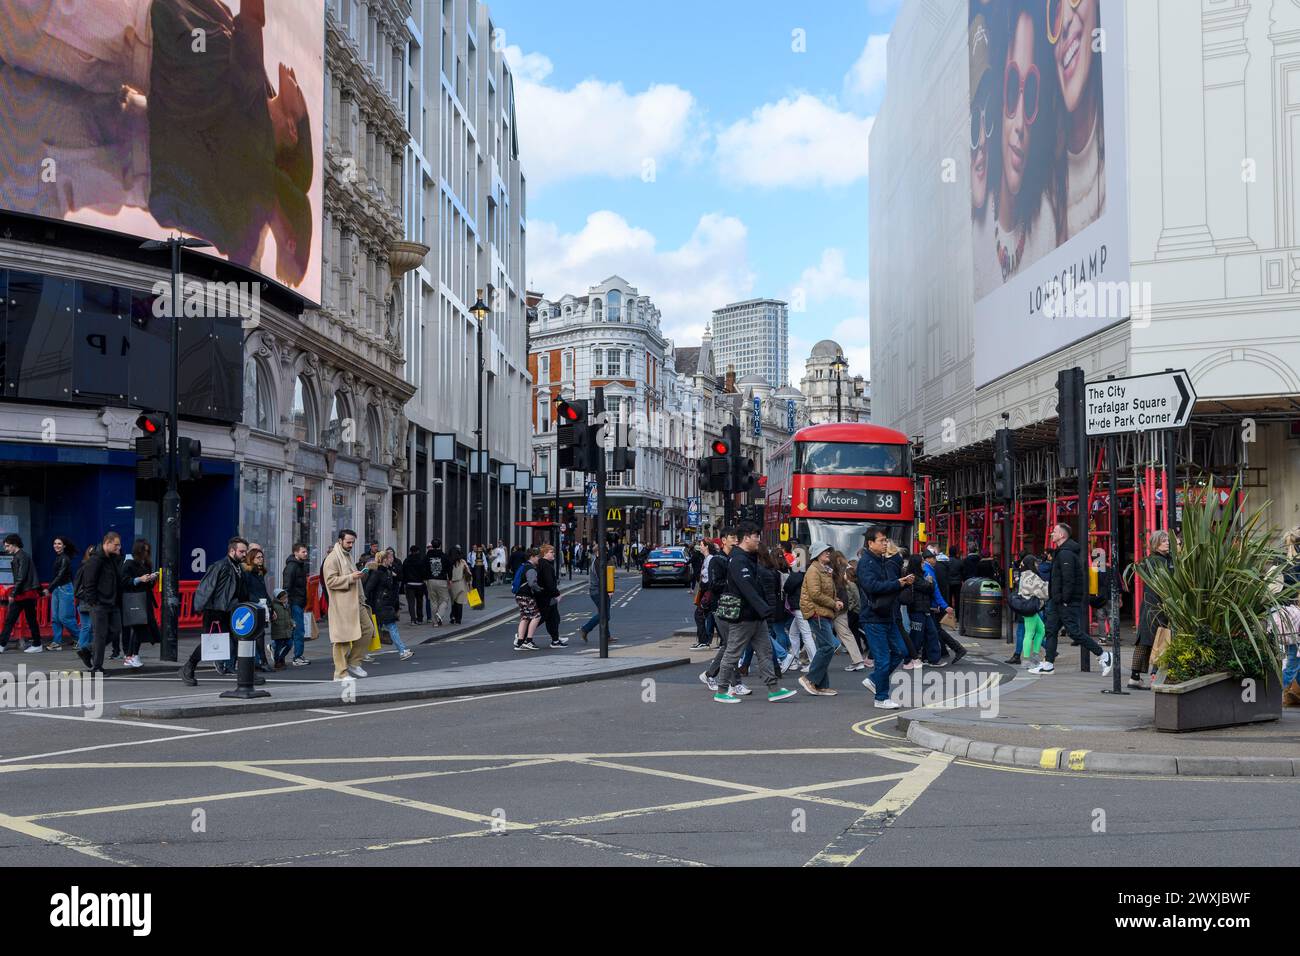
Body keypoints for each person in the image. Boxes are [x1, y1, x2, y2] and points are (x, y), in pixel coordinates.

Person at [711, 523, 797, 704]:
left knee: (765, 652)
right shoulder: (738, 560)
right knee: (732, 653)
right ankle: (721, 690)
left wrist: (763, 612)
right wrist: (765, 609)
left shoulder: (749, 558)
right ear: (746, 538)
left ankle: (773, 689)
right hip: (743, 616)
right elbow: (747, 589)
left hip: (756, 616)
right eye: (756, 536)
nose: (759, 539)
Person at [1030, 524, 1112, 675]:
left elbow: (1069, 579)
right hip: (1057, 600)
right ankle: (1048, 664)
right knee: (1051, 630)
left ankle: (1104, 655)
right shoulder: (1061, 552)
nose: (1051, 534)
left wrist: (1065, 599)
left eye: (1054, 532)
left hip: (1065, 601)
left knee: (1074, 632)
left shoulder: (1066, 554)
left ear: (1061, 535)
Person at [857, 525, 915, 709]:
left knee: (901, 652)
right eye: (882, 540)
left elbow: (887, 585)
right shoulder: (866, 562)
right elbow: (873, 587)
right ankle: (881, 698)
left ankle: (874, 680)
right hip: (873, 617)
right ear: (870, 543)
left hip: (887, 615)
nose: (885, 543)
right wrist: (897, 583)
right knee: (882, 659)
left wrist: (903, 583)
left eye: (886, 540)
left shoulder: (880, 559)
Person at [181, 536, 248, 685]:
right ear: (232, 551)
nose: (244, 554)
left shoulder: (237, 568)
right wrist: (201, 607)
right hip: (216, 611)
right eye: (242, 551)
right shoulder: (220, 566)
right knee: (210, 643)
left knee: (241, 640)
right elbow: (206, 588)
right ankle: (189, 666)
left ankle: (247, 674)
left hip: (230, 611)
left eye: (245, 551)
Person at [77, 532, 130, 674]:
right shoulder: (95, 560)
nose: (119, 547)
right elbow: (89, 582)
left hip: (112, 603)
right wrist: (93, 601)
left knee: (115, 631)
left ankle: (87, 650)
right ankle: (97, 667)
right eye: (116, 544)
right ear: (107, 543)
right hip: (99, 604)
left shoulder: (112, 558)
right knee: (100, 635)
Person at [323, 529, 369, 681]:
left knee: (368, 629)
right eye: (348, 542)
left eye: (352, 542)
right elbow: (330, 581)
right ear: (340, 540)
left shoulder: (346, 555)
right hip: (342, 604)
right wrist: (351, 577)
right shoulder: (332, 558)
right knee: (342, 639)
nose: (350, 545)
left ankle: (354, 662)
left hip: (356, 601)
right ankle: (340, 673)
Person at [699, 530, 742, 691]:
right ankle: (735, 683)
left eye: (737, 538)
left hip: (733, 607)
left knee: (728, 645)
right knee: (731, 645)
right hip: (719, 607)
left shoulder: (734, 558)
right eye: (733, 537)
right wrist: (733, 582)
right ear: (723, 540)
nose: (736, 540)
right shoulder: (717, 560)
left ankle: (710, 674)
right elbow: (713, 584)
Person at [798, 542, 842, 697]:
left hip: (823, 612)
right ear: (817, 554)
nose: (828, 554)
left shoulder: (824, 571)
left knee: (825, 646)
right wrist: (833, 603)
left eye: (828, 551)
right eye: (824, 552)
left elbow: (828, 592)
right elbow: (815, 594)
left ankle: (821, 685)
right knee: (828, 647)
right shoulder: (813, 570)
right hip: (816, 612)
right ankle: (809, 679)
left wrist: (836, 599)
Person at [1132, 530, 1172, 689]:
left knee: (1145, 640)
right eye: (1164, 541)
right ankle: (1155, 673)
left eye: (1168, 540)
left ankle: (1135, 677)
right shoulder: (1159, 562)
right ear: (1156, 544)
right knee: (1161, 638)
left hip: (1149, 603)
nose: (1167, 543)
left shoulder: (1150, 561)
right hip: (1159, 604)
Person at [365, 549, 414, 661]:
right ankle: (402, 651)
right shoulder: (377, 573)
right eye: (390, 558)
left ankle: (361, 653)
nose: (392, 560)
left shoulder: (386, 572)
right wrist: (367, 604)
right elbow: (368, 589)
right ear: (384, 560)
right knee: (391, 628)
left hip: (385, 605)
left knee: (373, 630)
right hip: (380, 605)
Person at [120, 539, 160, 669]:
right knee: (138, 628)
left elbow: (148, 584)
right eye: (144, 550)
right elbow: (124, 581)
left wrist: (151, 579)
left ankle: (133, 655)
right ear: (138, 550)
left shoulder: (146, 563)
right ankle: (131, 656)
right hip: (135, 599)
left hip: (144, 599)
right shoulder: (129, 564)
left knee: (140, 628)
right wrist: (140, 579)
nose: (146, 553)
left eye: (148, 551)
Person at [0, 533, 43, 653]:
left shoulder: (21, 556)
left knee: (14, 619)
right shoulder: (21, 556)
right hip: (25, 592)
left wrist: (13, 593)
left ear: (14, 545)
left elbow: (21, 576)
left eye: (8, 546)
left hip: (24, 593)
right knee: (26, 619)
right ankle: (37, 643)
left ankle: (2, 644)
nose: (6, 548)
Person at [922, 551, 965, 665]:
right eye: (934, 558)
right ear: (928, 559)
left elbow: (934, 590)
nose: (935, 561)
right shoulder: (928, 570)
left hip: (930, 606)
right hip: (932, 605)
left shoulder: (927, 570)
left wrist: (943, 605)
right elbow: (934, 590)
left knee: (935, 630)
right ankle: (927, 656)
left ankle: (958, 649)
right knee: (932, 630)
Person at [1007, 554, 1049, 667]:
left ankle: (1034, 657)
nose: (1037, 565)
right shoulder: (1031, 576)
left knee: (1041, 630)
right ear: (1031, 564)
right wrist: (1046, 590)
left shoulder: (1025, 575)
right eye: (1035, 563)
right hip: (1030, 608)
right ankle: (1026, 660)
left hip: (1030, 608)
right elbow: (1041, 592)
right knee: (1029, 633)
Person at [830, 552, 867, 672]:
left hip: (833, 604)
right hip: (844, 604)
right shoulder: (844, 571)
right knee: (846, 633)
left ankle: (806, 658)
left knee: (813, 631)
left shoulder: (830, 572)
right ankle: (858, 660)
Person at [243, 546, 274, 670]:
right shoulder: (248, 573)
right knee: (258, 635)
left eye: (262, 557)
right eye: (258, 558)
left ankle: (259, 662)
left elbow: (264, 592)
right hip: (254, 607)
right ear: (252, 559)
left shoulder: (260, 572)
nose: (261, 559)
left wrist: (271, 606)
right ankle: (262, 661)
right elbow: (247, 591)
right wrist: (257, 602)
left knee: (259, 635)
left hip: (262, 606)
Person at [47, 536, 78, 651]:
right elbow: (57, 576)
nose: (56, 545)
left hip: (65, 588)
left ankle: (80, 638)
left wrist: (48, 588)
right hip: (57, 589)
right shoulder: (59, 557)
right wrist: (52, 588)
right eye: (55, 543)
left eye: (59, 544)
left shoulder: (65, 558)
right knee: (55, 618)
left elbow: (60, 576)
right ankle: (57, 642)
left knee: (65, 617)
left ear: (64, 546)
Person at [282, 543, 311, 666]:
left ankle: (275, 647)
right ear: (296, 553)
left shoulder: (300, 566)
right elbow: (287, 586)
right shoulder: (292, 567)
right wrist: (286, 603)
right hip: (294, 602)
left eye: (306, 551)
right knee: (298, 630)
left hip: (298, 601)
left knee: (295, 630)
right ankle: (297, 657)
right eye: (303, 552)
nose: (306, 554)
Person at [512, 548, 544, 651]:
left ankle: (520, 642)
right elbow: (532, 584)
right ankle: (529, 641)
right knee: (537, 616)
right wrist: (540, 589)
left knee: (524, 617)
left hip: (519, 595)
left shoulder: (523, 566)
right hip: (526, 596)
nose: (539, 559)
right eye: (538, 556)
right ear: (532, 557)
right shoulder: (531, 569)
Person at [536, 543, 567, 648]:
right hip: (546, 597)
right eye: (551, 552)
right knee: (544, 618)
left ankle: (555, 640)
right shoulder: (546, 565)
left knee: (553, 618)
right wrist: (557, 594)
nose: (553, 554)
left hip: (544, 596)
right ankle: (522, 635)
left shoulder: (542, 563)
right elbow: (549, 583)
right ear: (545, 553)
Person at [71, 545, 96, 663]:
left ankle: (85, 648)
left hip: (83, 600)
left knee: (87, 626)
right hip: (87, 601)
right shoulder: (88, 568)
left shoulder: (83, 566)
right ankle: (83, 648)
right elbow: (79, 587)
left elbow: (77, 586)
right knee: (88, 627)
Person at [424, 540, 452, 626]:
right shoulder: (444, 556)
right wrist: (450, 578)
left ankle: (435, 622)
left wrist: (425, 578)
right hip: (442, 580)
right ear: (440, 546)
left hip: (430, 580)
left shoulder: (427, 556)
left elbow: (422, 567)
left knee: (433, 601)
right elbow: (449, 568)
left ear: (432, 545)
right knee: (444, 599)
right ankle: (439, 614)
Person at [269, 588, 295, 670]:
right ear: (278, 598)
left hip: (287, 630)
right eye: (283, 598)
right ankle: (277, 662)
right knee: (278, 647)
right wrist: (272, 615)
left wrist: (292, 622)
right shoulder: (274, 605)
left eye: (286, 597)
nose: (285, 599)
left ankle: (281, 658)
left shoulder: (287, 606)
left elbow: (289, 616)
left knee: (289, 644)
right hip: (278, 630)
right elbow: (271, 616)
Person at [401, 545, 426, 625]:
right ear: (418, 551)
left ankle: (413, 619)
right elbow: (424, 572)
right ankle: (420, 619)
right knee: (419, 601)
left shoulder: (406, 561)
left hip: (409, 584)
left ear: (410, 552)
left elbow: (403, 572)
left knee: (411, 603)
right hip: (419, 584)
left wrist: (405, 582)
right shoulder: (421, 560)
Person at [447, 546, 470, 624]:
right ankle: (458, 619)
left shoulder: (449, 562)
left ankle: (453, 616)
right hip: (461, 583)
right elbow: (469, 573)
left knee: (453, 602)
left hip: (451, 584)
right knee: (460, 602)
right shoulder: (462, 562)